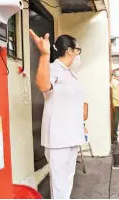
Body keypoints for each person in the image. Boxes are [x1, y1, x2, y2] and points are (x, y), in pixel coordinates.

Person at [29, 30, 85, 199]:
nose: (77, 55)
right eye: (77, 50)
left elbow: (74, 104)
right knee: (59, 182)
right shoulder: (52, 68)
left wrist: (82, 127)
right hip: (58, 136)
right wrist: (44, 55)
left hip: (73, 134)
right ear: (69, 51)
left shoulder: (70, 73)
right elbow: (43, 85)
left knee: (67, 178)